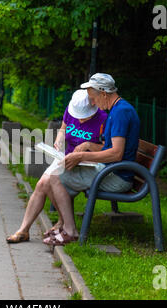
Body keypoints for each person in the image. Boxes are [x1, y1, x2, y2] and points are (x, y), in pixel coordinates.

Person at [43, 73, 140, 246]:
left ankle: (70, 231)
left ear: (104, 94)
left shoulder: (120, 113)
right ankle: (65, 226)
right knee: (58, 174)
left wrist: (82, 156)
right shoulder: (117, 110)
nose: (92, 103)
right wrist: (84, 154)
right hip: (111, 170)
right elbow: (109, 149)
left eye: (93, 98)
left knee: (56, 177)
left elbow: (116, 154)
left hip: (118, 177)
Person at [6, 89, 108, 243]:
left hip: (87, 162)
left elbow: (107, 148)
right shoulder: (72, 109)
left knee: (48, 181)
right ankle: (25, 230)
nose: (79, 121)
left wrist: (88, 145)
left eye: (84, 117)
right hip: (66, 157)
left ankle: (62, 225)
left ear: (93, 106)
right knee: (42, 183)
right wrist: (59, 139)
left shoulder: (103, 118)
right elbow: (63, 128)